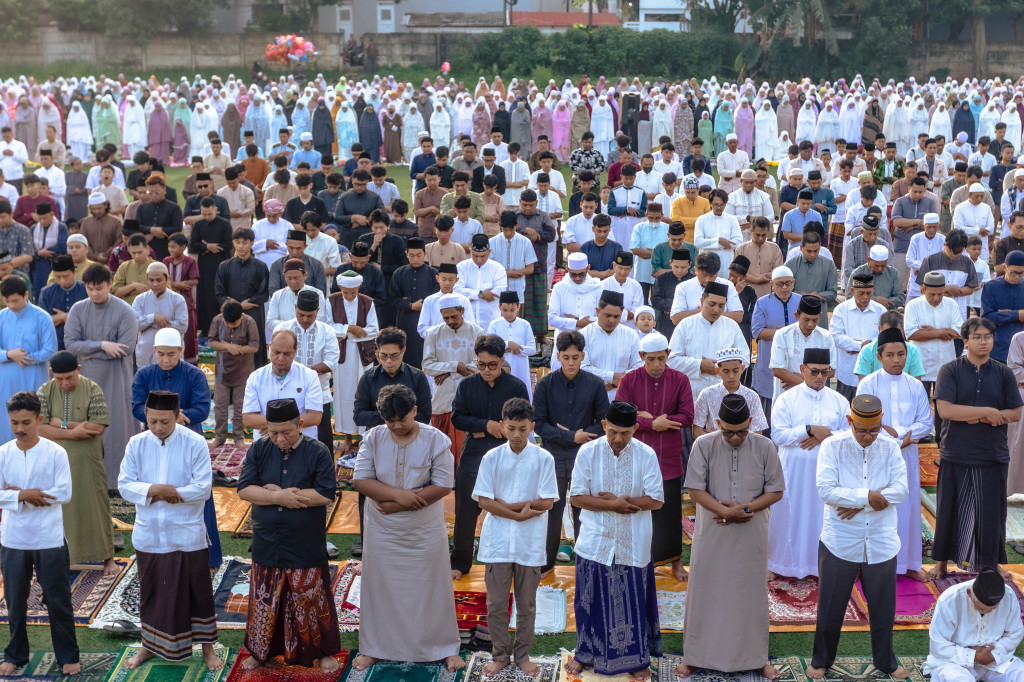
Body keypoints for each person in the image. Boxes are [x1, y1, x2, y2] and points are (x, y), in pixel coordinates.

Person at [352, 385, 464, 673]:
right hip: (382, 527)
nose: (396, 426)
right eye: (390, 421)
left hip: (422, 528)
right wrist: (398, 497)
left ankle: (443, 647)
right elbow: (361, 480)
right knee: (381, 587)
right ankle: (375, 647)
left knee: (431, 586)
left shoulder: (436, 440)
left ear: (415, 411)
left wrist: (399, 504)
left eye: (402, 419)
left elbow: (443, 485)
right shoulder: (374, 437)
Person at [675, 393, 784, 681]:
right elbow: (695, 490)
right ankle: (695, 656)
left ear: (751, 423)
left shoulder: (765, 446)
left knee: (750, 593)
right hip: (713, 528)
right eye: (728, 432)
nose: (735, 438)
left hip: (751, 528)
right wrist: (725, 511)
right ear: (718, 423)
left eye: (742, 432)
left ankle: (756, 658)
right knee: (705, 590)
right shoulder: (703, 444)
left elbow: (775, 491)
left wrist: (743, 509)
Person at [117, 390, 220, 671]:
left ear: (177, 417)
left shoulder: (195, 443)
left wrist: (169, 493)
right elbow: (125, 485)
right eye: (153, 422)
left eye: (165, 421)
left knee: (197, 593)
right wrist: (156, 490)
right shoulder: (136, 444)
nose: (159, 428)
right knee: (151, 594)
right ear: (146, 418)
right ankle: (149, 647)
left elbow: (203, 489)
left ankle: (208, 650)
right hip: (150, 534)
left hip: (187, 533)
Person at [807, 394, 909, 680]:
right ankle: (821, 660)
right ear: (850, 421)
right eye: (861, 430)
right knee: (830, 607)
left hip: (881, 540)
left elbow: (901, 490)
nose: (868, 436)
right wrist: (868, 497)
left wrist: (857, 502)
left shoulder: (890, 447)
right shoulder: (832, 446)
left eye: (874, 430)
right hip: (840, 540)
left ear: (881, 424)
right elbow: (826, 490)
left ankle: (886, 661)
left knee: (883, 609)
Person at [236, 398, 342, 671]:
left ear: (301, 425)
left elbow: (325, 494)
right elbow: (245, 489)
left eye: (287, 432)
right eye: (274, 433)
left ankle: (321, 652)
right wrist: (279, 497)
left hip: (304, 541)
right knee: (265, 599)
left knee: (309, 598)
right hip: (267, 540)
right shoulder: (259, 449)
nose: (280, 438)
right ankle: (261, 652)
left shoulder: (317, 451)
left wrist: (274, 495)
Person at [566, 401, 663, 679]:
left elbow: (656, 499)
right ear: (604, 426)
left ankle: (638, 660)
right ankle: (585, 654)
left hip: (633, 542)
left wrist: (623, 502)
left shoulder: (646, 454)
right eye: (613, 432)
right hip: (595, 541)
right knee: (589, 601)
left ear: (635, 428)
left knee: (633, 603)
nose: (619, 439)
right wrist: (612, 505)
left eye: (626, 433)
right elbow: (577, 497)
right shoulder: (588, 452)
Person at [931, 317, 1023, 579]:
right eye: (978, 337)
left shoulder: (1003, 372)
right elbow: (946, 409)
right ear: (966, 340)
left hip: (992, 452)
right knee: (950, 508)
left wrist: (979, 416)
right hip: (957, 451)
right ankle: (940, 562)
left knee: (992, 512)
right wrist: (987, 413)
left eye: (988, 337)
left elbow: (1015, 412)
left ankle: (991, 564)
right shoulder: (950, 370)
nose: (984, 342)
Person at [473, 397, 557, 677]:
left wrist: (505, 506)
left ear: (532, 426)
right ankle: (500, 654)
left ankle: (522, 655)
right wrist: (519, 511)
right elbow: (484, 501)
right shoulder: (491, 458)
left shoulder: (544, 458)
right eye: (512, 428)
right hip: (497, 542)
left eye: (523, 428)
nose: (518, 435)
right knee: (496, 603)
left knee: (527, 605)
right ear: (502, 426)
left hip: (529, 542)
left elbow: (547, 502)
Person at [0, 391, 78, 677]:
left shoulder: (56, 452)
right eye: (13, 423)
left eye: (25, 422)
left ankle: (68, 656)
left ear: (39, 419)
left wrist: (13, 494)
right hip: (13, 538)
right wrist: (24, 495)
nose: (19, 429)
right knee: (15, 601)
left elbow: (64, 493)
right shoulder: (3, 453)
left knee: (58, 599)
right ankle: (15, 654)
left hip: (48, 537)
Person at [855, 328, 933, 582]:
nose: (896, 360)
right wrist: (896, 437)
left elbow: (925, 422)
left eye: (901, 354)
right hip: (877, 454)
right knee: (878, 505)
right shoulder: (868, 384)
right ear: (879, 357)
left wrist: (898, 434)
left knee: (908, 507)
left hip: (907, 456)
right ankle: (873, 563)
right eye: (890, 355)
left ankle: (910, 563)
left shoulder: (915, 386)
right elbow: (864, 419)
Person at [615, 332, 694, 581]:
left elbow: (688, 416)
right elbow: (619, 415)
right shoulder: (629, 380)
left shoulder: (680, 379)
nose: (657, 364)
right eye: (651, 359)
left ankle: (675, 564)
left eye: (661, 358)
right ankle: (633, 562)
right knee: (634, 510)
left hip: (668, 457)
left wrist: (660, 420)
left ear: (668, 355)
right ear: (641, 357)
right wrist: (649, 424)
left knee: (669, 513)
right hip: (635, 458)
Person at [449, 334, 529, 578]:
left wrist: (502, 429)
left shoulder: (515, 386)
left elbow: (523, 418)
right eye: (481, 364)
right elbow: (457, 418)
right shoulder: (467, 385)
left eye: (492, 365)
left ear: (502, 360)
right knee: (465, 510)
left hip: (509, 454)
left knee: (510, 508)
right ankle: (460, 563)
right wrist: (486, 426)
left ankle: (512, 561)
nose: (486, 370)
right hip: (475, 454)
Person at [767, 348, 850, 579]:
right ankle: (779, 565)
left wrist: (824, 435)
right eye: (814, 371)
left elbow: (848, 434)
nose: (820, 377)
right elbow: (778, 435)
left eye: (825, 372)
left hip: (827, 472)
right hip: (794, 472)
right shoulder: (786, 400)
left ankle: (819, 566)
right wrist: (808, 430)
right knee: (789, 515)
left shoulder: (839, 401)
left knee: (822, 516)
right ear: (802, 370)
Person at [36, 351, 115, 573]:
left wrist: (62, 424)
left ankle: (107, 559)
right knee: (58, 508)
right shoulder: (45, 390)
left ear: (78, 370)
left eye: (69, 377)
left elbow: (97, 428)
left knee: (96, 504)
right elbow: (39, 429)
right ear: (52, 374)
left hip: (88, 459)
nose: (64, 383)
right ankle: (60, 558)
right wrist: (75, 431)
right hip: (55, 460)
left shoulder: (93, 389)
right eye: (59, 379)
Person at [64, 264, 139, 488]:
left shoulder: (126, 310)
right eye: (90, 289)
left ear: (109, 285)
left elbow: (125, 349)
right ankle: (86, 480)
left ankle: (118, 481)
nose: (94, 293)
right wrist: (102, 345)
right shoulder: (78, 309)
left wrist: (89, 353)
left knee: (116, 429)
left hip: (117, 379)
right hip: (84, 379)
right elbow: (70, 344)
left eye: (99, 288)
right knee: (84, 425)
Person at [922, 568, 1024, 682]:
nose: (988, 612)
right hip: (955, 662)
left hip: (995, 659)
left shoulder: (1008, 595)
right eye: (982, 608)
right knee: (957, 679)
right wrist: (974, 656)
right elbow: (939, 645)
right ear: (969, 593)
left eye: (993, 609)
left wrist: (994, 653)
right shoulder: (950, 599)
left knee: (1021, 674)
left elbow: (1015, 633)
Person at [0, 276, 57, 445]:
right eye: (7, 301)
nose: (11, 305)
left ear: (26, 295)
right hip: (6, 381)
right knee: (5, 420)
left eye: (15, 301)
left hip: (34, 377)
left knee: (33, 417)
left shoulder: (42, 317)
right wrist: (9, 355)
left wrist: (27, 357)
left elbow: (50, 350)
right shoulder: (1, 317)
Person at [668, 281, 749, 397]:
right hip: (691, 391)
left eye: (721, 306)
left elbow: (744, 358)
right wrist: (699, 365)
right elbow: (672, 360)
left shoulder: (732, 326)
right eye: (712, 304)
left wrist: (722, 368)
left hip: (723, 392)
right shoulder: (686, 325)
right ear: (702, 301)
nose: (716, 310)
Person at [242, 329, 323, 441]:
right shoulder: (256, 377)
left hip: (302, 444)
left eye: (286, 354)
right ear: (269, 348)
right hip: (265, 444)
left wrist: (274, 428)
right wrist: (284, 426)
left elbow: (315, 417)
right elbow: (248, 419)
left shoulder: (309, 376)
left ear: (295, 351)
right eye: (276, 352)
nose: (281, 358)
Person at [329, 271, 377, 453]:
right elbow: (327, 326)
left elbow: (373, 330)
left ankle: (365, 437)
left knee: (364, 394)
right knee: (344, 396)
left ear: (358, 288)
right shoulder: (331, 301)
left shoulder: (367, 302)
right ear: (340, 288)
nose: (349, 296)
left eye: (353, 292)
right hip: (341, 358)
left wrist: (346, 335)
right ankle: (348, 437)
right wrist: (349, 329)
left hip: (363, 357)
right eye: (346, 292)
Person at [215, 227, 270, 368]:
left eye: (244, 242)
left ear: (251, 243)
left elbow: (263, 294)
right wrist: (236, 307)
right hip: (230, 315)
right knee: (230, 348)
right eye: (237, 242)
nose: (240, 246)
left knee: (254, 346)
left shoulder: (261, 267)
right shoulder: (224, 266)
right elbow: (219, 293)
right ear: (233, 242)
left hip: (253, 313)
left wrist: (247, 304)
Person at [208, 301, 260, 447]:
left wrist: (237, 349)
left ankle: (239, 438)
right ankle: (219, 437)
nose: (230, 326)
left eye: (234, 324)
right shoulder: (217, 320)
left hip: (243, 372)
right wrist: (227, 346)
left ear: (242, 316)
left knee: (240, 406)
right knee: (220, 405)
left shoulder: (250, 322)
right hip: (222, 372)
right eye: (227, 323)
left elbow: (254, 347)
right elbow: (211, 342)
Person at [768, 295, 837, 402]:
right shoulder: (782, 335)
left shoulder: (826, 336)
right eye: (806, 319)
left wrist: (796, 378)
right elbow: (777, 370)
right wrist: (810, 381)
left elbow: (831, 370)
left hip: (815, 397)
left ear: (820, 316)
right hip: (787, 397)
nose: (810, 324)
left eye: (815, 320)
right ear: (797, 315)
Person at [906, 272, 964, 398]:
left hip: (945, 363)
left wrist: (929, 332)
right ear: (923, 290)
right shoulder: (913, 305)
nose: (936, 298)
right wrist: (940, 332)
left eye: (940, 294)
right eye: (932, 294)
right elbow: (911, 334)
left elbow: (959, 332)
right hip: (921, 365)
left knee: (945, 407)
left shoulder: (951, 304)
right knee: (920, 404)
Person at [831, 274, 887, 399]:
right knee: (845, 409)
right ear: (852, 291)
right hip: (847, 372)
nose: (865, 297)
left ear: (873, 290)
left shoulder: (881, 311)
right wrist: (860, 345)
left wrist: (862, 347)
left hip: (873, 371)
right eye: (861, 293)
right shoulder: (841, 310)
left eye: (869, 293)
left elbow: (884, 337)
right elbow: (835, 336)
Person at [693, 347, 769, 437]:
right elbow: (696, 432)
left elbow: (757, 432)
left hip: (744, 448)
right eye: (726, 371)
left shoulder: (752, 396)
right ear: (718, 371)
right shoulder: (707, 394)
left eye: (735, 371)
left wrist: (718, 434)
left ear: (742, 368)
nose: (731, 376)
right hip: (714, 448)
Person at [581, 290, 642, 401]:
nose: (612, 321)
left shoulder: (631, 335)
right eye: (607, 315)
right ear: (597, 311)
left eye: (616, 316)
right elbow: (582, 367)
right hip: (590, 397)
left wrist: (620, 380)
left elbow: (639, 365)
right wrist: (612, 377)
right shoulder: (584, 335)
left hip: (623, 397)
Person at [390, 237, 439, 368]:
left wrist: (422, 305)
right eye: (412, 255)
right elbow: (394, 300)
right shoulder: (399, 274)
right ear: (406, 254)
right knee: (405, 355)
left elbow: (436, 299)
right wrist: (411, 305)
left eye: (419, 255)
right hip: (405, 321)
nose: (415, 259)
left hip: (426, 321)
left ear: (425, 254)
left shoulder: (434, 274)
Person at [188, 197, 234, 334]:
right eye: (204, 214)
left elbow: (229, 244)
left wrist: (213, 247)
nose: (207, 217)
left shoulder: (225, 224)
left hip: (221, 263)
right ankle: (206, 327)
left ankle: (223, 324)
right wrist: (207, 246)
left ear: (215, 210)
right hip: (204, 265)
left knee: (219, 293)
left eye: (210, 213)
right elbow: (193, 245)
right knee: (205, 295)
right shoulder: (198, 225)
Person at [132, 261, 188, 368]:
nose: (155, 284)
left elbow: (182, 326)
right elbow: (134, 325)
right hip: (146, 355)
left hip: (171, 357)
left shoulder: (178, 300)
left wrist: (158, 323)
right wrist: (152, 318)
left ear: (167, 279)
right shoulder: (140, 300)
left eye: (159, 280)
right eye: (151, 280)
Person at [486, 291, 535, 398]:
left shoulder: (525, 325)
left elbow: (532, 349)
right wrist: (508, 344)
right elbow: (489, 346)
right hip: (501, 368)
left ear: (518, 307)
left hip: (520, 367)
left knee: (522, 395)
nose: (508, 313)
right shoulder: (494, 325)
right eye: (505, 310)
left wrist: (512, 348)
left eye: (512, 310)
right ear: (499, 307)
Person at [786, 231, 838, 327]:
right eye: (809, 251)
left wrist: (811, 295)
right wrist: (810, 296)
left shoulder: (828, 265)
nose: (813, 254)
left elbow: (832, 293)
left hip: (819, 316)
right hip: (796, 315)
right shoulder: (790, 265)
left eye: (816, 251)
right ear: (801, 248)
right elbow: (786, 292)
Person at [982, 250, 1024, 364]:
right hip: (998, 350)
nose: (1017, 277)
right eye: (1014, 273)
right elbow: (987, 318)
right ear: (1005, 268)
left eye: (1021, 273)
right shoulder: (991, 287)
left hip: (1021, 350)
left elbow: (994, 316)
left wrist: (1001, 315)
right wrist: (1018, 315)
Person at [39, 254, 87, 352]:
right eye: (57, 277)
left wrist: (59, 318)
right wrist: (64, 317)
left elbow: (91, 319)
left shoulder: (86, 290)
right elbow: (41, 323)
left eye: (65, 276)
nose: (62, 281)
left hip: (83, 345)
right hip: (55, 345)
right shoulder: (46, 292)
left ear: (74, 272)